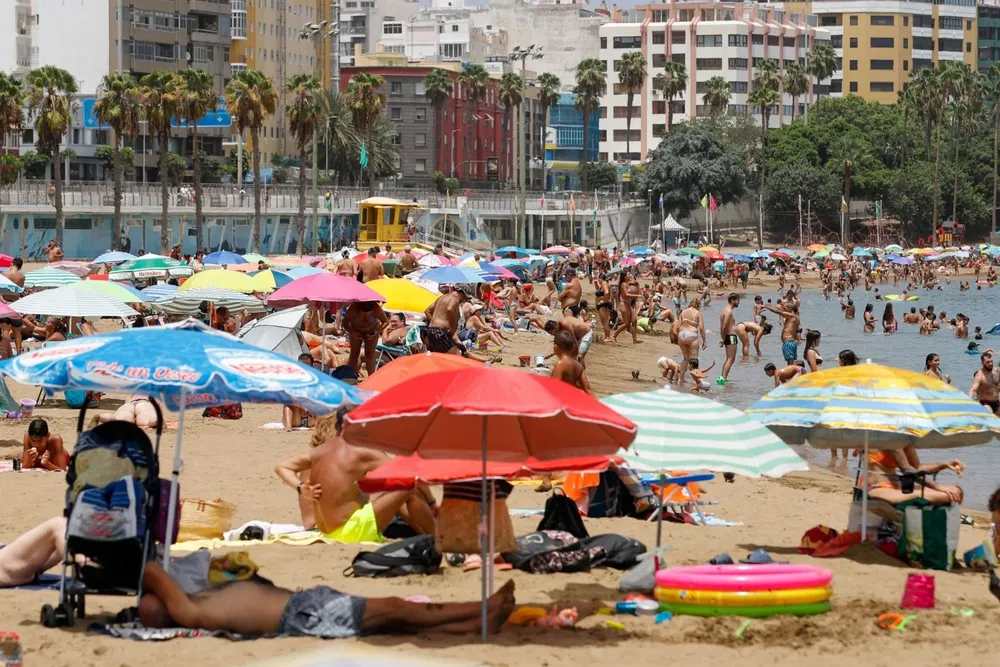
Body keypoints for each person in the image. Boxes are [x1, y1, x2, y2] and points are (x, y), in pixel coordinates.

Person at [135, 560, 515, 638]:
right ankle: (483, 608)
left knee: (393, 619)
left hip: (306, 605)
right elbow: (152, 570)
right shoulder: (191, 613)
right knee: (396, 608)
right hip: (304, 615)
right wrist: (140, 567)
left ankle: (475, 624)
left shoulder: (196, 600)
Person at [274, 409, 436, 542]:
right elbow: (409, 475)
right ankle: (439, 539)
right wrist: (432, 503)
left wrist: (301, 488)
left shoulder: (319, 452)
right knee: (408, 488)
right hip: (349, 532)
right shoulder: (360, 451)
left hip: (324, 530)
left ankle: (427, 532)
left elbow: (281, 466)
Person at [865, 447, 964, 507]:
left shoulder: (904, 438)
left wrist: (943, 465)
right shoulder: (891, 437)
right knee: (947, 495)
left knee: (957, 491)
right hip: (878, 487)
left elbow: (917, 468)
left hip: (897, 485)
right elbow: (907, 470)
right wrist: (937, 486)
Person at [344, 301, 388, 375]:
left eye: (368, 313)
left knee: (370, 354)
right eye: (363, 313)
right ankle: (349, 375)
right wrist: (352, 332)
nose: (365, 315)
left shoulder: (376, 308)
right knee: (354, 354)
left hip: (372, 330)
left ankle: (371, 377)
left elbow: (386, 321)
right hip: (356, 329)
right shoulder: (353, 308)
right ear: (359, 309)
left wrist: (376, 331)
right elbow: (345, 323)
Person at [422, 286, 469, 356]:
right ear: (462, 294)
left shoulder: (442, 297)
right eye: (465, 298)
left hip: (431, 331)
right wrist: (453, 327)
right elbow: (450, 308)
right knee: (457, 357)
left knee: (440, 358)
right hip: (439, 333)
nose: (464, 301)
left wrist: (435, 324)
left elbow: (427, 311)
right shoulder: (455, 298)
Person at [674, 298, 706, 386]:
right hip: (691, 334)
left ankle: (680, 379)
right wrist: (704, 340)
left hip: (681, 334)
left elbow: (677, 327)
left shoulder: (683, 312)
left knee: (685, 358)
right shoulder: (698, 313)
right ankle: (694, 381)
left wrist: (677, 337)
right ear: (698, 305)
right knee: (694, 359)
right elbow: (702, 328)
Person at [969, 350, 1000, 414]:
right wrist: (968, 402)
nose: (990, 364)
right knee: (989, 414)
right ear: (982, 363)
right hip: (985, 403)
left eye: (991, 361)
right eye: (987, 362)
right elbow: (972, 390)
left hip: (997, 402)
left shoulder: (997, 371)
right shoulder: (979, 376)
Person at [718, 293, 740, 382]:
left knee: (729, 359)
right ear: (733, 300)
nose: (738, 302)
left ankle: (722, 378)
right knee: (731, 359)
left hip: (728, 336)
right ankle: (723, 379)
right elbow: (724, 326)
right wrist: (723, 339)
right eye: (737, 300)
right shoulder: (728, 311)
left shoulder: (725, 310)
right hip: (730, 336)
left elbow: (722, 327)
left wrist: (722, 337)